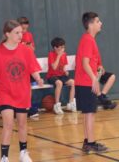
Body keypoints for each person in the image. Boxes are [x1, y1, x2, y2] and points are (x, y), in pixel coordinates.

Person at [0, 20, 43, 162]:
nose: (20, 35)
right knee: (8, 124)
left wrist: (38, 78)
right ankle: (4, 156)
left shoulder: (26, 50)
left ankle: (23, 153)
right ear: (7, 34)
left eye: (21, 32)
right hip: (5, 92)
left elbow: (33, 68)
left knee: (22, 123)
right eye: (17, 32)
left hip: (22, 92)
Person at [75, 12, 108, 153]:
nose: (100, 23)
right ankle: (91, 143)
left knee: (87, 113)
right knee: (90, 114)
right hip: (86, 82)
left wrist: (98, 69)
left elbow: (91, 62)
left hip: (83, 82)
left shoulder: (88, 39)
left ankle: (87, 141)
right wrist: (94, 79)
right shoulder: (88, 39)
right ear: (90, 24)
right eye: (98, 21)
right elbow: (85, 63)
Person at [46, 37, 76, 114]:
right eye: (61, 47)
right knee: (59, 83)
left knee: (73, 82)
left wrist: (65, 71)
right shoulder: (51, 54)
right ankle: (57, 105)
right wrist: (59, 56)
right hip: (52, 76)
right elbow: (54, 67)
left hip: (61, 75)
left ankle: (70, 103)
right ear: (55, 47)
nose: (63, 48)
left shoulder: (64, 54)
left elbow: (63, 67)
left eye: (64, 47)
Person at [17, 17, 39, 118]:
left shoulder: (29, 35)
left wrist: (29, 46)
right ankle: (17, 108)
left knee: (28, 87)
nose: (24, 31)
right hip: (18, 65)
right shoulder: (16, 36)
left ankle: (28, 107)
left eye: (26, 28)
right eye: (23, 28)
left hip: (27, 64)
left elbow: (32, 49)